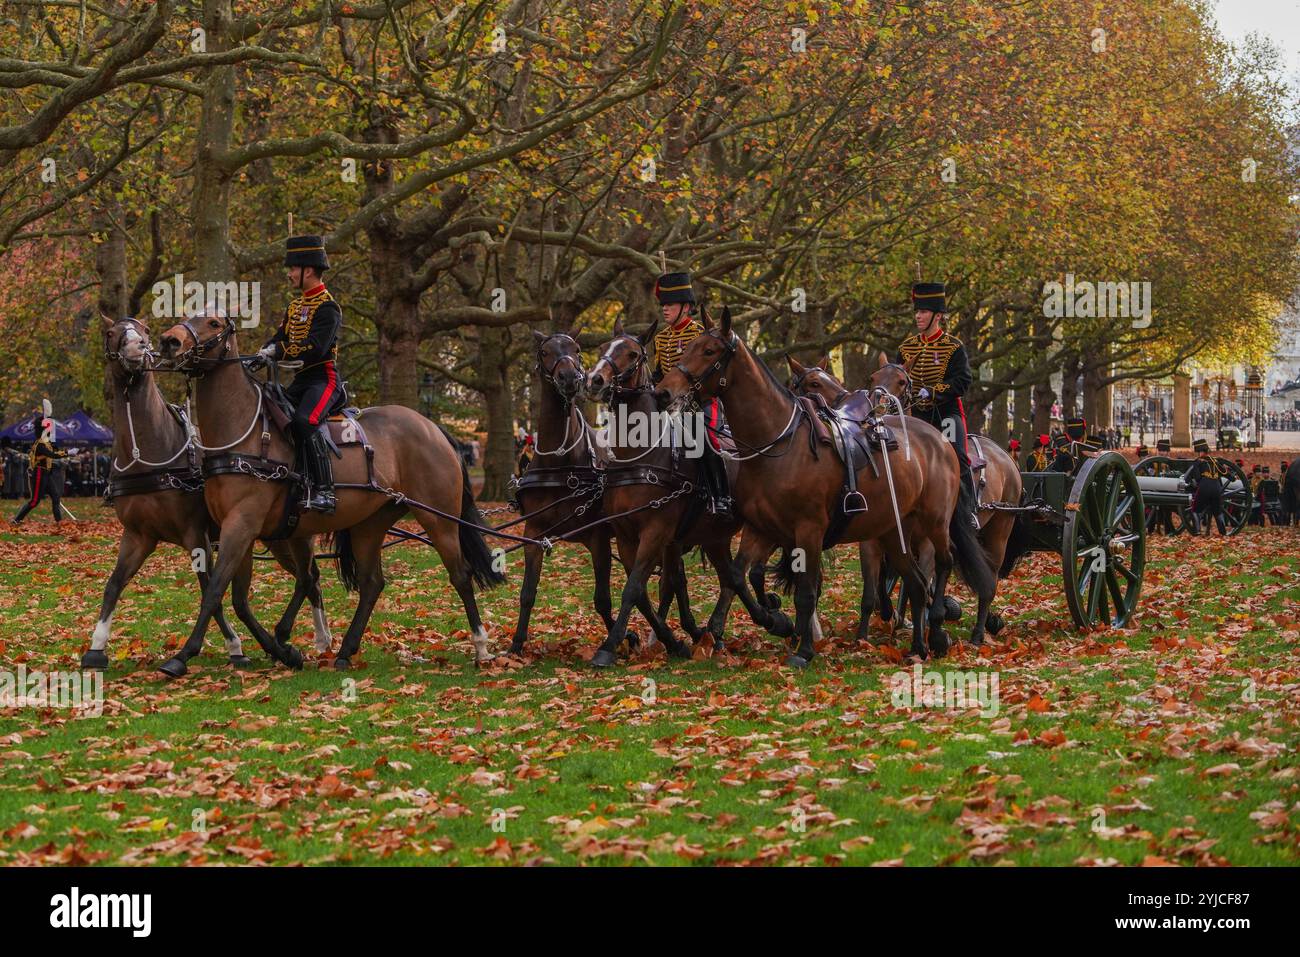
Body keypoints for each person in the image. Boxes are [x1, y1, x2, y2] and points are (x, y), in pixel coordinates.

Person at [252, 235, 343, 513]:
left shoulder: (328, 307)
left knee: (305, 421)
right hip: (300, 381)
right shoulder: (294, 307)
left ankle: (325, 491)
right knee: (272, 414)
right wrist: (260, 354)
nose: (289, 274)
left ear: (309, 270)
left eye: (293, 269)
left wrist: (276, 352)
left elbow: (314, 349)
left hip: (323, 379)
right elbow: (279, 337)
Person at [894, 280, 978, 528]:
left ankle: (968, 511)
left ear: (938, 316)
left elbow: (963, 380)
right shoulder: (906, 348)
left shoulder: (954, 347)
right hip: (915, 416)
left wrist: (932, 392)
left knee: (959, 457)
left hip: (946, 413)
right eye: (917, 311)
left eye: (923, 312)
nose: (918, 316)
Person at [649, 269, 732, 516]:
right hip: (669, 401)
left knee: (703, 437)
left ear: (686, 307)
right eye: (663, 304)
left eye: (670, 304)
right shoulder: (661, 338)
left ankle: (721, 495)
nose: (665, 309)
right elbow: (659, 372)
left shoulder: (699, 334)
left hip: (700, 401)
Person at [12, 412, 68, 526]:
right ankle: (16, 520)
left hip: (47, 474)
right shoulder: (40, 444)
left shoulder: (46, 442)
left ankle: (59, 522)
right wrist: (67, 453)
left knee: (56, 496)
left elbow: (54, 450)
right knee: (34, 501)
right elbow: (52, 454)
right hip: (39, 473)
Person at [1188, 438, 1226, 535]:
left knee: (1195, 510)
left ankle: (1196, 531)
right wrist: (1232, 478)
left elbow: (1196, 477)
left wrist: (1197, 483)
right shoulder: (1215, 461)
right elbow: (1225, 472)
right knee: (1218, 512)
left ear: (1200, 452)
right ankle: (1223, 532)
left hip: (1204, 487)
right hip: (1217, 488)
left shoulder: (1197, 462)